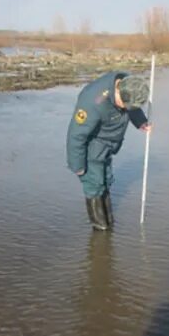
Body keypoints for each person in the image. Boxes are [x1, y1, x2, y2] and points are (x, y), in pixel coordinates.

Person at [67, 71, 151, 231]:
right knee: (94, 185)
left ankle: (109, 223)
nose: (127, 109)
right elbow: (76, 135)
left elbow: (132, 106)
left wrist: (141, 121)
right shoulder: (92, 101)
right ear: (118, 93)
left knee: (105, 180)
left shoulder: (128, 84)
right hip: (92, 146)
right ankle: (100, 231)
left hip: (109, 145)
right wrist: (77, 165)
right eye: (126, 106)